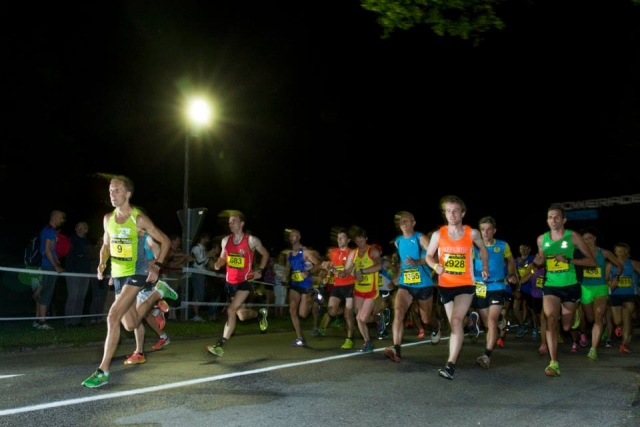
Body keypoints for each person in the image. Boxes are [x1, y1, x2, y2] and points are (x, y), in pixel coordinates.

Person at [81, 175, 177, 388]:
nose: (112, 194)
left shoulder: (138, 219)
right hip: (118, 275)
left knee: (112, 316)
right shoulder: (108, 219)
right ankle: (157, 293)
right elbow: (106, 246)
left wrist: (157, 265)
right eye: (110, 190)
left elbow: (165, 241)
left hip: (137, 273)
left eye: (116, 190)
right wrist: (102, 263)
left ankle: (103, 370)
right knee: (130, 324)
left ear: (128, 194)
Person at [528, 203, 596, 377]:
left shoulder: (573, 236)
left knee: (566, 327)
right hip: (551, 285)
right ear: (547, 220)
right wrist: (536, 263)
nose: (553, 220)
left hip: (570, 286)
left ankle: (574, 316)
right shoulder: (541, 239)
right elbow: (540, 260)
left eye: (557, 217)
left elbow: (591, 261)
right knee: (550, 319)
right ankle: (553, 363)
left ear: (564, 220)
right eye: (550, 217)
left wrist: (569, 261)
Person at [425, 195, 489, 380]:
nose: (451, 214)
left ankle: (450, 365)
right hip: (445, 285)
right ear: (444, 214)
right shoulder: (438, 235)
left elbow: (483, 249)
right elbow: (429, 255)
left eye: (455, 211)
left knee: (454, 321)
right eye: (448, 211)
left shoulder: (472, 233)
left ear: (463, 213)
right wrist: (435, 266)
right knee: (456, 323)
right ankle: (470, 321)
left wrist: (484, 266)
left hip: (465, 284)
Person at [206, 211, 270, 356]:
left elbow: (265, 254)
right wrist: (218, 263)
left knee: (230, 310)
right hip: (230, 283)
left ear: (241, 223)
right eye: (229, 222)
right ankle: (260, 315)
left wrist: (260, 270)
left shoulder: (251, 240)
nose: (230, 224)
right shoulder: (225, 241)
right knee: (241, 316)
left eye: (233, 221)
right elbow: (223, 257)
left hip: (245, 282)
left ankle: (220, 345)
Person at [384, 211, 439, 363]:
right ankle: (396, 349)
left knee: (426, 320)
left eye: (406, 220)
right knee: (399, 311)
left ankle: (436, 326)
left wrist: (418, 262)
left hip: (424, 284)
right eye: (401, 221)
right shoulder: (398, 241)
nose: (403, 223)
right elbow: (403, 261)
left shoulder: (420, 238)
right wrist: (397, 276)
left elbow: (433, 257)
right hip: (406, 283)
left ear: (413, 223)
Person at [472, 216, 518, 369]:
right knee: (487, 324)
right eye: (482, 229)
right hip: (480, 287)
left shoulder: (502, 246)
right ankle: (499, 320)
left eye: (488, 229)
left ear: (494, 231)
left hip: (497, 286)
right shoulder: (474, 247)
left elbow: (511, 260)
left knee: (491, 321)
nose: (485, 233)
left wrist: (511, 273)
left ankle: (486, 355)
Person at [124, 229, 173, 364]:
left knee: (137, 316)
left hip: (147, 281)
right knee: (138, 316)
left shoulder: (149, 239)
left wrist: (142, 264)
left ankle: (158, 298)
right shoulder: (128, 238)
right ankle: (156, 309)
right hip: (133, 280)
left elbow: (160, 260)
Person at [575, 227, 622, 361]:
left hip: (600, 287)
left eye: (589, 238)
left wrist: (616, 277)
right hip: (585, 288)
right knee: (590, 318)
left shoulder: (604, 253)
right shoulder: (579, 253)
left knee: (599, 316)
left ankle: (593, 349)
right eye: (584, 239)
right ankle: (590, 328)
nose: (587, 241)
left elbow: (619, 265)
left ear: (594, 238)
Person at [342, 227, 382, 353]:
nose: (360, 243)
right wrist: (342, 273)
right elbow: (348, 270)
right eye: (357, 241)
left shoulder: (372, 251)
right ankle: (367, 342)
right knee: (358, 317)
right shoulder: (354, 253)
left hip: (371, 290)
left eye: (362, 241)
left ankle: (378, 318)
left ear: (366, 239)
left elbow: (379, 266)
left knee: (363, 318)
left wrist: (363, 271)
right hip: (359, 290)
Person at [282, 229, 323, 347]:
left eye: (294, 236)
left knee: (303, 314)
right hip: (295, 284)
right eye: (290, 236)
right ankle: (300, 338)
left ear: (299, 237)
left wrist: (308, 272)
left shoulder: (305, 252)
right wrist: (285, 276)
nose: (291, 238)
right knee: (292, 310)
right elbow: (288, 268)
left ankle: (314, 295)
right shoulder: (289, 254)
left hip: (305, 284)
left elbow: (319, 264)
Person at [320, 228, 357, 349]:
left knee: (348, 315)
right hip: (337, 286)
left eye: (342, 237)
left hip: (349, 285)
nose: (339, 239)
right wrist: (327, 277)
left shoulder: (352, 253)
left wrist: (330, 269)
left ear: (348, 240)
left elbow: (344, 273)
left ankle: (349, 339)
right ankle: (343, 311)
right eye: (338, 237)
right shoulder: (333, 252)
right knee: (331, 311)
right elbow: (332, 266)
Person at [34, 210, 66, 330]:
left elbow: (49, 250)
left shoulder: (47, 230)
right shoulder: (50, 230)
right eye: (61, 218)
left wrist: (56, 260)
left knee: (44, 292)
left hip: (47, 265)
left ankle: (38, 321)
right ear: (55, 217)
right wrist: (56, 266)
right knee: (46, 293)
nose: (62, 220)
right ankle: (42, 322)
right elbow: (47, 250)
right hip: (48, 266)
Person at [607, 242, 640, 354]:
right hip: (615, 294)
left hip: (630, 294)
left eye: (621, 251)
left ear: (626, 251)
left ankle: (624, 343)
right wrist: (610, 284)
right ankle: (620, 326)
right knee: (617, 320)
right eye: (617, 252)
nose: (619, 254)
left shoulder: (633, 263)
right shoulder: (610, 264)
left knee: (627, 315)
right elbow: (605, 279)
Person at [64, 221, 92, 327]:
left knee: (81, 297)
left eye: (82, 227)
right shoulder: (70, 239)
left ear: (86, 230)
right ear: (75, 228)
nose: (80, 228)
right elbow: (78, 252)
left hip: (85, 272)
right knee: (73, 296)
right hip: (73, 271)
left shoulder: (87, 242)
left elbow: (90, 255)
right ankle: (68, 321)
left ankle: (76, 320)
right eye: (78, 226)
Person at [190, 232, 211, 321]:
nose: (208, 240)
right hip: (196, 273)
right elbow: (199, 261)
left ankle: (195, 314)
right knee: (197, 294)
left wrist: (208, 257)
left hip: (201, 273)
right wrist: (208, 255)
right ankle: (195, 315)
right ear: (203, 238)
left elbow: (204, 262)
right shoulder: (196, 248)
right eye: (207, 238)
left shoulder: (203, 249)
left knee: (199, 294)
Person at [89, 236, 109, 324]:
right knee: (96, 296)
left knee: (103, 297)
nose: (103, 241)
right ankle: (93, 318)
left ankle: (100, 317)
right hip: (96, 276)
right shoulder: (95, 250)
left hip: (106, 277)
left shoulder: (109, 250)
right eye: (101, 240)